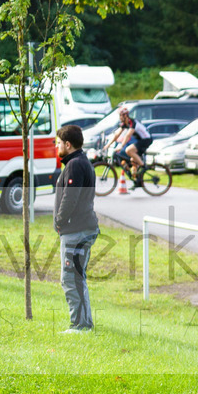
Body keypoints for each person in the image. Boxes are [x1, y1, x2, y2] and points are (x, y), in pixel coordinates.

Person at [54, 125, 100, 333]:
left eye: (58, 143)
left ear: (68, 144)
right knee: (76, 277)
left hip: (77, 231)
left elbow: (69, 199)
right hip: (82, 229)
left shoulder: (74, 165)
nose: (56, 146)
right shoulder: (81, 163)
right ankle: (85, 322)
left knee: (71, 278)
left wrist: (59, 222)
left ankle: (80, 325)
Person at [107, 107, 152, 183]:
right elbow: (117, 134)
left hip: (146, 140)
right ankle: (137, 181)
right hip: (140, 140)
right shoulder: (125, 123)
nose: (119, 118)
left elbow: (127, 136)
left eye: (120, 116)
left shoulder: (132, 123)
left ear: (125, 116)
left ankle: (143, 166)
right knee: (132, 161)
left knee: (128, 150)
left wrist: (121, 147)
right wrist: (108, 145)